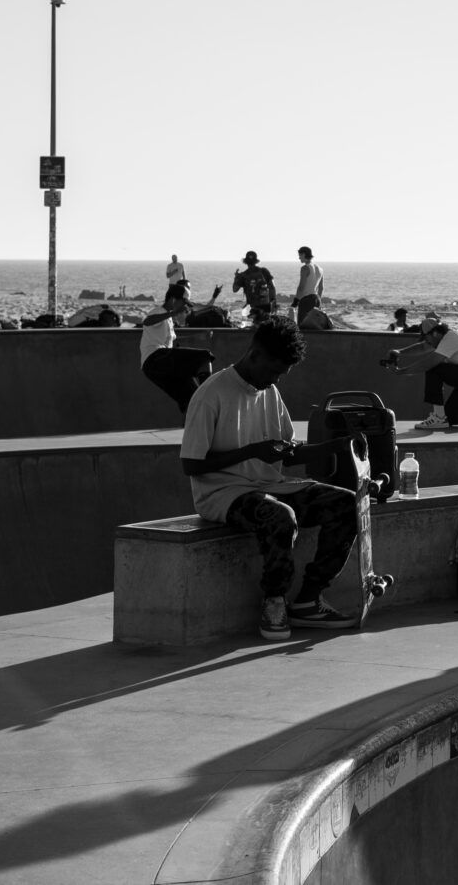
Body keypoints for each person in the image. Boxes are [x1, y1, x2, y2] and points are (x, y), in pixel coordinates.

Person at [179, 315, 357, 640]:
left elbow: (286, 451)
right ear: (254, 354)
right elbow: (190, 465)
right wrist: (251, 452)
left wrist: (336, 447)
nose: (274, 379)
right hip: (223, 493)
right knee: (280, 517)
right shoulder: (211, 394)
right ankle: (274, 601)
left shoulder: (269, 391)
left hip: (268, 486)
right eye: (272, 371)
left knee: (345, 503)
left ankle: (307, 600)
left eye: (281, 374)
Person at [386, 314, 458, 429]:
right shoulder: (443, 337)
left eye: (427, 338)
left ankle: (438, 417)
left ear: (435, 334)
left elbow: (428, 363)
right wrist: (400, 352)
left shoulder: (451, 339)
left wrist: (401, 371)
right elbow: (422, 347)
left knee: (434, 369)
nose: (427, 342)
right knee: (451, 417)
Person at [139, 280, 223, 414]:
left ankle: (191, 430)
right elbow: (147, 321)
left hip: (155, 368)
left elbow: (173, 340)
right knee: (204, 356)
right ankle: (209, 395)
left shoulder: (168, 319)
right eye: (183, 303)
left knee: (190, 399)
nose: (185, 307)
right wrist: (173, 313)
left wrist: (197, 337)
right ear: (173, 300)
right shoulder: (158, 311)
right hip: (155, 359)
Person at [232, 251, 278, 325]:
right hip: (266, 306)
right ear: (256, 261)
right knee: (267, 327)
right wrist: (274, 302)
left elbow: (235, 289)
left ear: (246, 262)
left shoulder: (243, 275)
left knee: (254, 329)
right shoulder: (264, 271)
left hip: (252, 307)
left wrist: (236, 277)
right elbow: (272, 287)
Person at [294, 246, 324, 324]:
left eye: (300, 255)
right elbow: (321, 288)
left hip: (306, 300)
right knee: (314, 324)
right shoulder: (320, 269)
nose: (299, 258)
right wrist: (319, 301)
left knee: (303, 325)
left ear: (304, 254)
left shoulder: (305, 268)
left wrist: (296, 301)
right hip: (316, 299)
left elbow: (301, 287)